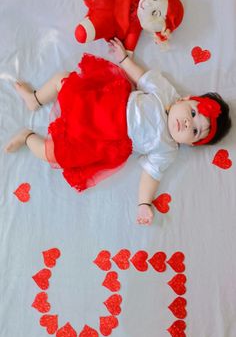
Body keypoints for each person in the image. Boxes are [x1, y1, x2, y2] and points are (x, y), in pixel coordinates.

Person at [4, 38, 231, 226]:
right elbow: (141, 76)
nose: (187, 124)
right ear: (185, 99)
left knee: (54, 155)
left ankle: (27, 136)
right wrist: (124, 59)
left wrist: (144, 204)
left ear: (190, 144)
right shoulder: (165, 92)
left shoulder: (167, 150)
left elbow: (151, 177)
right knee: (63, 80)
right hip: (104, 103)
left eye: (194, 131)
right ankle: (34, 99)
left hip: (103, 140)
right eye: (192, 114)